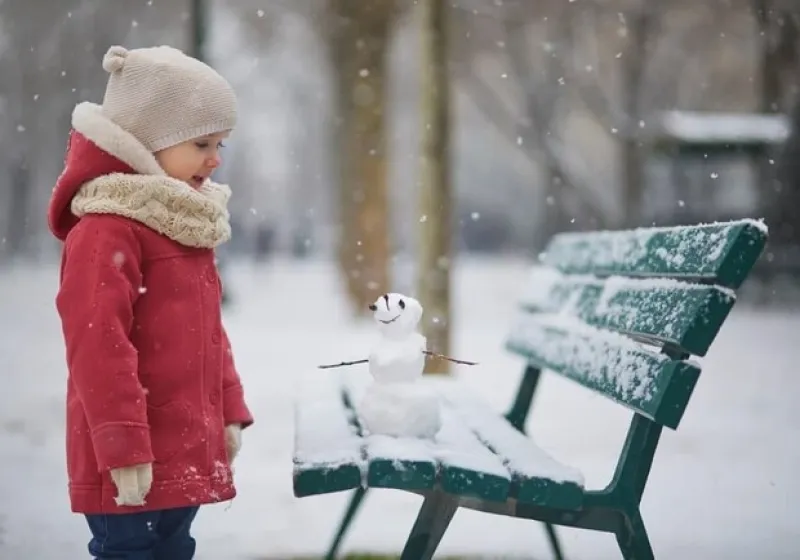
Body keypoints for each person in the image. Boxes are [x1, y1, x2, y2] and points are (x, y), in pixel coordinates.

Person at [46, 44, 254, 559]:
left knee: (174, 548)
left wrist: (227, 408)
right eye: (202, 142)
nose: (215, 158)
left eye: (220, 143)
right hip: (128, 458)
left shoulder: (182, 224)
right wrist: (120, 445)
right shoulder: (106, 230)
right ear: (146, 141)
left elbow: (209, 333)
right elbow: (98, 347)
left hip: (183, 443)